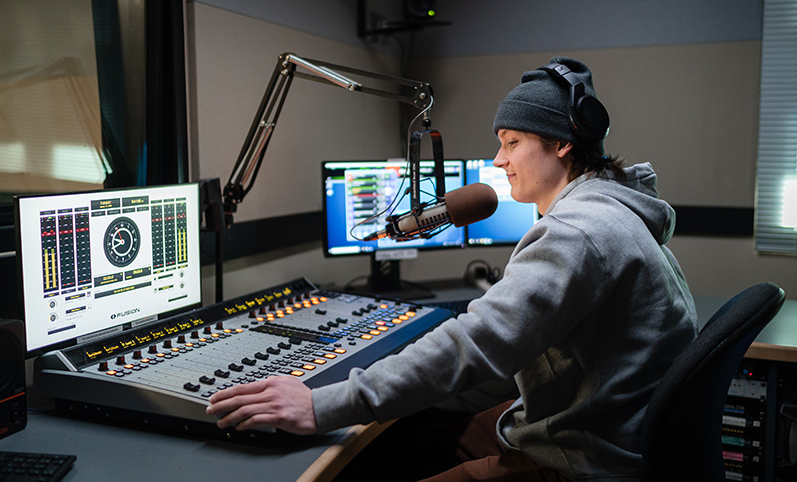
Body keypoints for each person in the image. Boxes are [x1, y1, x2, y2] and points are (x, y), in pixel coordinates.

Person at [206, 57, 698, 481]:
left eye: (511, 142)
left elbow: (478, 343)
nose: (498, 158)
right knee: (402, 447)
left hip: (584, 460)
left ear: (561, 144)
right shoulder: (613, 209)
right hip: (596, 427)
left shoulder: (578, 232)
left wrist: (322, 404)